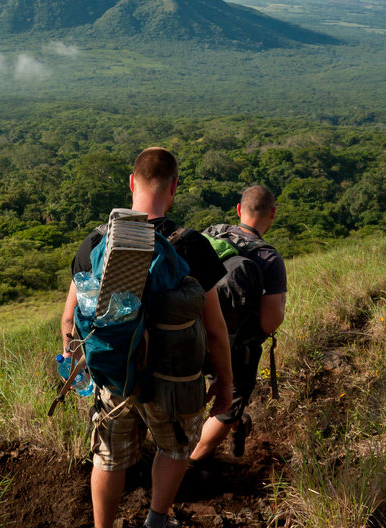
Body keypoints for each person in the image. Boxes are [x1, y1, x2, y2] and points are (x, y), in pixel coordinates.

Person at [60, 147, 233, 528]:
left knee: (108, 457)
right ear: (173, 187)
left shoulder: (95, 242)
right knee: (174, 448)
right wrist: (225, 383)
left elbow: (70, 318)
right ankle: (157, 518)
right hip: (173, 382)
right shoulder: (190, 246)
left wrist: (81, 373)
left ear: (131, 183)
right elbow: (217, 331)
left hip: (114, 376)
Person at [190, 184, 288, 463]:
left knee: (212, 383)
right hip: (235, 348)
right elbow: (270, 322)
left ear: (238, 210)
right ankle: (191, 463)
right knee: (229, 406)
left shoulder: (208, 235)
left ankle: (237, 428)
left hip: (191, 334)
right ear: (273, 213)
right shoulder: (268, 257)